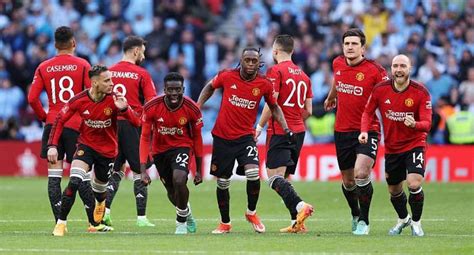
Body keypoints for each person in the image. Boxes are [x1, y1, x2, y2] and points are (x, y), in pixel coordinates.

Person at [198, 47, 293, 234]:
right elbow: (210, 87)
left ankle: (251, 212)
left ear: (259, 62)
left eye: (254, 61)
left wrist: (286, 127)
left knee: (253, 174)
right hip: (222, 137)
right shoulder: (226, 76)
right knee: (223, 182)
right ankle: (225, 223)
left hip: (245, 139)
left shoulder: (264, 83)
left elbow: (274, 107)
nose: (250, 64)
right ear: (240, 60)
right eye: (247, 60)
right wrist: (198, 106)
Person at [48, 65, 140, 236]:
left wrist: (125, 109)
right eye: (107, 80)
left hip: (108, 152)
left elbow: (137, 122)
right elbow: (60, 119)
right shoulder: (79, 100)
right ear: (95, 82)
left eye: (111, 79)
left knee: (100, 189)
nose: (112, 84)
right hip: (86, 147)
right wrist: (52, 145)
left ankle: (100, 203)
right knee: (74, 181)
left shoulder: (115, 99)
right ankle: (60, 224)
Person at [27, 26, 95, 227]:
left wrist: (45, 117)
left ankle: (59, 223)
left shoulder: (43, 67)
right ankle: (93, 222)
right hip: (76, 126)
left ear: (55, 45)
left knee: (54, 176)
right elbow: (91, 96)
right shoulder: (83, 64)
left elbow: (32, 98)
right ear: (73, 43)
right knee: (81, 174)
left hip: (53, 124)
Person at [324, 28, 388, 235]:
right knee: (348, 181)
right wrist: (332, 96)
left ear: (363, 47)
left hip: (367, 130)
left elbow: (387, 95)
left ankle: (364, 221)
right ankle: (355, 212)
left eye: (354, 44)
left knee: (361, 173)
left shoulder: (375, 70)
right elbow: (337, 78)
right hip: (342, 130)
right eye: (347, 44)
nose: (350, 47)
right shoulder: (337, 63)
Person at [359, 54, 432, 237]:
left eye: (403, 66)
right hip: (392, 147)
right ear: (391, 69)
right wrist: (364, 131)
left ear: (410, 68)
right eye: (395, 66)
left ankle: (416, 223)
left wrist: (414, 124)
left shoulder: (421, 92)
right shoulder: (380, 89)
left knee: (414, 183)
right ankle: (403, 219)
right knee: (394, 190)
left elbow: (427, 123)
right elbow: (367, 113)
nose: (399, 70)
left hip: (415, 144)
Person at [255, 35, 314, 233]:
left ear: (275, 51)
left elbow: (272, 104)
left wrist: (259, 126)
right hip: (298, 132)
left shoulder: (275, 71)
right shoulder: (304, 76)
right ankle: (296, 222)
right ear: (292, 51)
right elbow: (309, 110)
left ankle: (300, 206)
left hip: (280, 130)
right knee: (285, 178)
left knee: (272, 177)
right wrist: (295, 122)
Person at [139, 72, 203, 234]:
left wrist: (199, 170)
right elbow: (145, 137)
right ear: (164, 90)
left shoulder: (192, 108)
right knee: (171, 189)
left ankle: (180, 223)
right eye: (170, 90)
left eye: (178, 89)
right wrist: (143, 170)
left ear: (183, 89)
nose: (174, 93)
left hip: (182, 146)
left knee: (179, 179)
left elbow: (197, 138)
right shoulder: (152, 107)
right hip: (160, 151)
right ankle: (186, 213)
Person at [104, 36, 157, 227]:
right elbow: (151, 103)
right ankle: (141, 218)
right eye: (142, 50)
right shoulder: (142, 74)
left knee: (115, 170)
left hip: (110, 125)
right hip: (132, 123)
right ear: (135, 51)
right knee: (138, 170)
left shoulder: (108, 72)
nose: (143, 54)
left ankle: (105, 213)